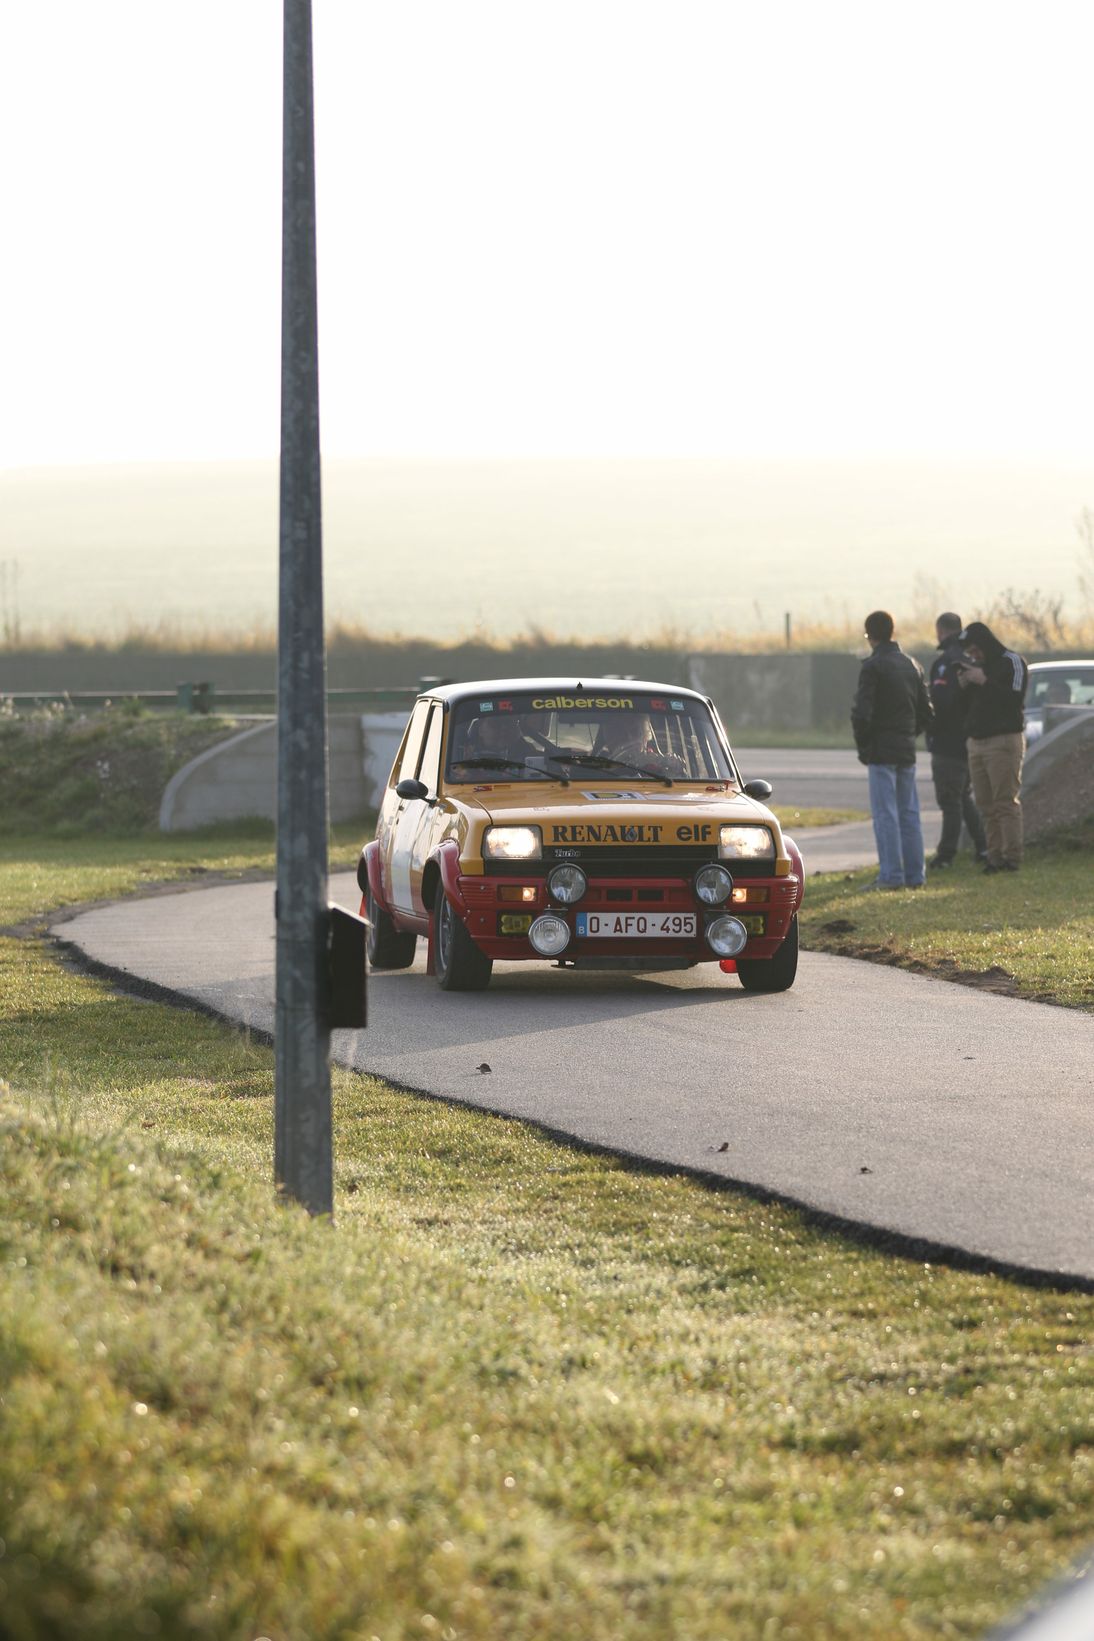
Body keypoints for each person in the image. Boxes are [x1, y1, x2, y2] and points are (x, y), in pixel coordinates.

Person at [851, 610, 933, 889]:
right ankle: (915, 875)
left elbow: (862, 713)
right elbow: (927, 712)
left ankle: (891, 875)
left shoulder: (873, 667)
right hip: (906, 749)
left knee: (886, 814)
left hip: (881, 751)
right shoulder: (912, 665)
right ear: (892, 631)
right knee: (909, 813)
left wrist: (865, 746)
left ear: (869, 635)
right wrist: (910, 734)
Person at [954, 620, 1029, 873]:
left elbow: (1014, 699)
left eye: (976, 650)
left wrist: (984, 680)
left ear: (986, 643)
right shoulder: (977, 668)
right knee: (985, 805)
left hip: (1003, 741)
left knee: (1004, 802)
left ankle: (1011, 858)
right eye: (970, 653)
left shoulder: (1012, 662)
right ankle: (993, 857)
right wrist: (965, 687)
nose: (974, 656)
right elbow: (967, 708)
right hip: (977, 742)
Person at [926, 611, 988, 868]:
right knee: (963, 797)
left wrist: (930, 726)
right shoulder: (972, 659)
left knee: (950, 799)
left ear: (940, 631)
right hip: (969, 739)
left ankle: (946, 855)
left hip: (947, 742)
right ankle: (983, 846)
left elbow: (941, 703)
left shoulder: (945, 663)